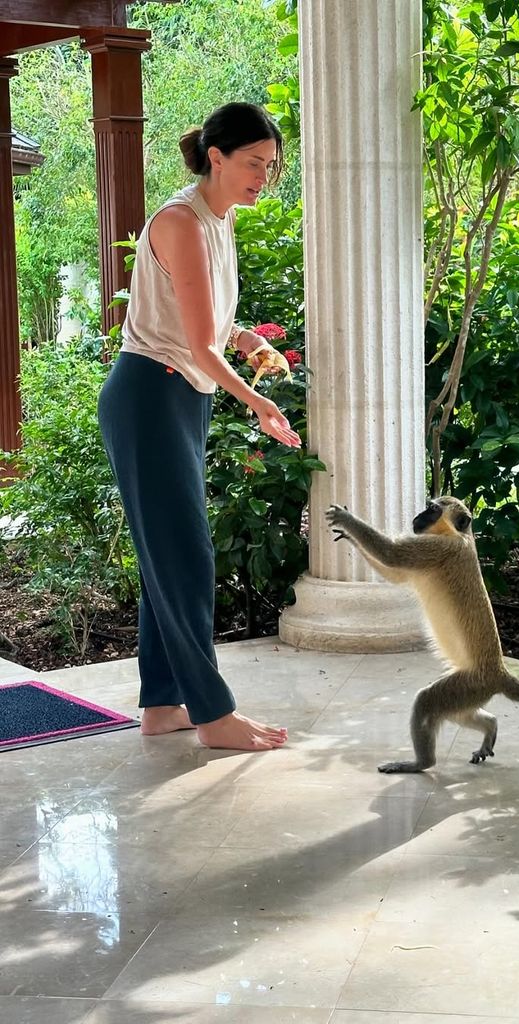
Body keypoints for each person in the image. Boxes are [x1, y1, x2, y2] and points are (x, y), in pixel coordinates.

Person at [98, 102, 300, 751]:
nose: (261, 177)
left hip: (178, 398)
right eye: (252, 163)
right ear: (216, 157)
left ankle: (162, 705)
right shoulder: (182, 222)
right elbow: (193, 343)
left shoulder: (220, 221)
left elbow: (211, 327)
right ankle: (213, 715)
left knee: (170, 554)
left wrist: (247, 340)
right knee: (185, 555)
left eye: (269, 167)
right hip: (149, 396)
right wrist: (260, 404)